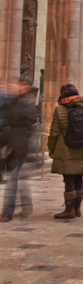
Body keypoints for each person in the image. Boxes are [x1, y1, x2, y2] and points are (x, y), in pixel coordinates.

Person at [47, 84, 83, 219]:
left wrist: (51, 147)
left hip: (66, 149)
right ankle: (77, 208)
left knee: (68, 178)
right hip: (82, 148)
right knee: (79, 177)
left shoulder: (60, 109)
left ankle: (69, 209)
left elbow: (54, 132)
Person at [0, 79, 37, 222]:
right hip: (10, 145)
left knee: (13, 179)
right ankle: (27, 205)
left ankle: (7, 212)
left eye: (19, 85)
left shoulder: (27, 105)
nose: (15, 87)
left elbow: (27, 127)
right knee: (19, 177)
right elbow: (6, 123)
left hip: (20, 147)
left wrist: (24, 147)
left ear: (25, 88)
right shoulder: (12, 102)